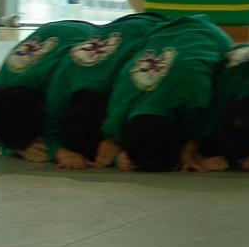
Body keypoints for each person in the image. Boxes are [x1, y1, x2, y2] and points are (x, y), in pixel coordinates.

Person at [29, 11, 167, 169]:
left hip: (156, 27)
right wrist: (58, 151)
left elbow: (147, 117)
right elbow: (50, 128)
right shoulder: (62, 84)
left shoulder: (127, 84)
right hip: (101, 30)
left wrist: (118, 143)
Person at [100, 14, 235, 172]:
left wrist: (190, 150)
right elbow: (110, 146)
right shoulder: (118, 108)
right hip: (160, 32)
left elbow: (207, 119)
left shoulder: (193, 94)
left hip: (213, 36)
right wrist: (120, 154)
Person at [0, 18, 99, 161]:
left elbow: (53, 134)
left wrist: (55, 151)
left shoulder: (58, 90)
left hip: (89, 34)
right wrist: (18, 147)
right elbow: (2, 138)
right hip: (53, 31)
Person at [184, 40, 249, 173]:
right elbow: (201, 129)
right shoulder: (220, 96)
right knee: (210, 143)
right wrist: (189, 154)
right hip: (239, 61)